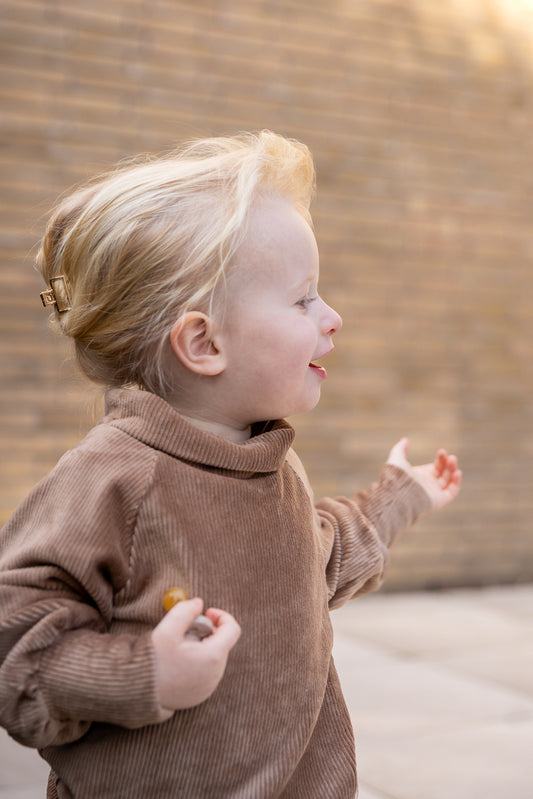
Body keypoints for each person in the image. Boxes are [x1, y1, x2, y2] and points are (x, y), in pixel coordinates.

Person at [0, 131, 461, 799]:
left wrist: (400, 497)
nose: (331, 316)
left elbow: (313, 557)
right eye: (303, 298)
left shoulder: (269, 464)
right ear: (203, 342)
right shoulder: (112, 479)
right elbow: (16, 640)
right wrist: (142, 672)